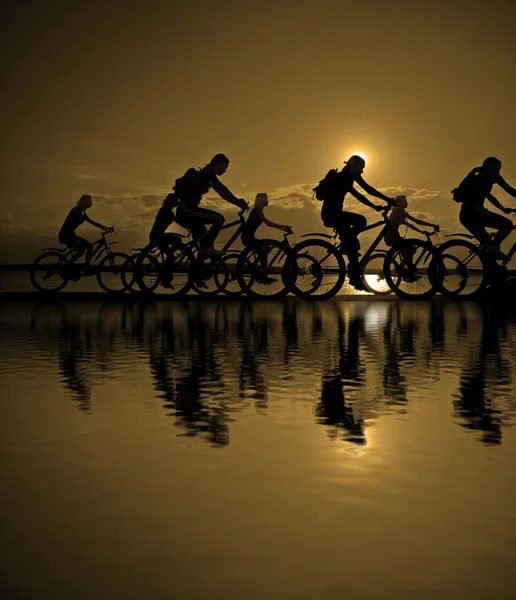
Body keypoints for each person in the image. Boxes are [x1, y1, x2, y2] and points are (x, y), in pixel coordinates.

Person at [319, 155, 395, 290]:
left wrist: (385, 199)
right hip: (331, 215)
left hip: (336, 214)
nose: (362, 172)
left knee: (356, 231)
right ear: (353, 167)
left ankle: (346, 243)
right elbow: (359, 196)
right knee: (354, 240)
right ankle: (354, 278)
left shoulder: (351, 176)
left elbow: (368, 189)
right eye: (360, 169)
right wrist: (376, 206)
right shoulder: (343, 179)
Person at [174, 153, 248, 256]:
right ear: (218, 164)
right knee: (219, 219)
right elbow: (221, 190)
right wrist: (238, 202)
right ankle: (207, 249)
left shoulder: (205, 173)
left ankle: (201, 261)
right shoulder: (207, 172)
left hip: (188, 209)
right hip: (187, 209)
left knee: (204, 237)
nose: (225, 171)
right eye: (224, 167)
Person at [456, 157, 516, 259]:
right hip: (469, 215)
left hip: (479, 212)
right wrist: (502, 208)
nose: (498, 172)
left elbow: (510, 192)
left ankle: (491, 255)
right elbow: (489, 196)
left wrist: (503, 209)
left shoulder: (495, 177)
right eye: (496, 169)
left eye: (499, 170)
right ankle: (493, 247)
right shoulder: (477, 179)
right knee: (507, 224)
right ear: (488, 168)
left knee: (488, 249)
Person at [240, 193, 292, 284]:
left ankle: (256, 266)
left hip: (250, 236)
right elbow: (268, 223)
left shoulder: (258, 210)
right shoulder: (258, 210)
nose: (268, 201)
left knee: (267, 248)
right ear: (262, 200)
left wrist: (282, 227)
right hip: (248, 237)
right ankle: (264, 274)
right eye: (266, 199)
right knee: (263, 251)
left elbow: (267, 222)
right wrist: (283, 227)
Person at [58, 194, 113, 267]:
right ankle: (69, 267)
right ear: (84, 202)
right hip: (65, 236)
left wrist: (106, 227)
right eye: (89, 202)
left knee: (90, 247)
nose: (91, 204)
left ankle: (86, 266)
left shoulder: (83, 213)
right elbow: (71, 221)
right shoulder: (75, 211)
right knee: (81, 250)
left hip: (71, 235)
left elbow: (93, 222)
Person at [148, 193, 182, 287]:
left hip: (158, 235)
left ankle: (169, 261)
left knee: (177, 240)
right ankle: (165, 276)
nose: (177, 203)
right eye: (176, 201)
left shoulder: (166, 209)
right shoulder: (167, 211)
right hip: (157, 237)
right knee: (172, 255)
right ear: (172, 201)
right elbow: (179, 221)